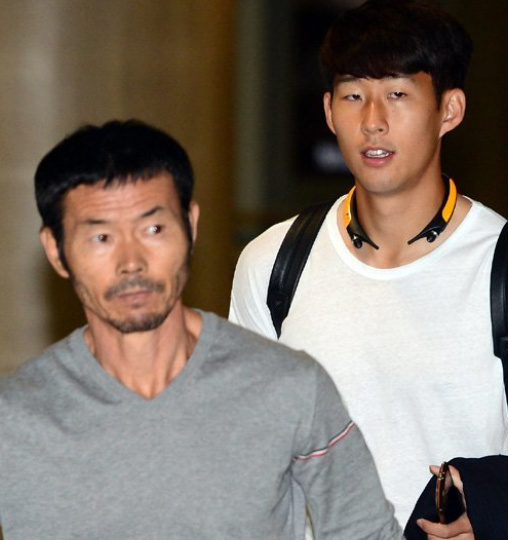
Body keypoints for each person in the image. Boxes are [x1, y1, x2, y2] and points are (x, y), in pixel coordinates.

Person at [229, 0, 508, 538]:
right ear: (328, 110)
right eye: (353, 95)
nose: (372, 121)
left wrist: (497, 516)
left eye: (398, 94)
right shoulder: (273, 265)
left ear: (450, 110)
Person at [0, 119, 402, 540]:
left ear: (190, 226)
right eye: (101, 237)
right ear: (56, 250)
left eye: (153, 229)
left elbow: (365, 532)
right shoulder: (16, 418)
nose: (131, 262)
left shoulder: (288, 387)